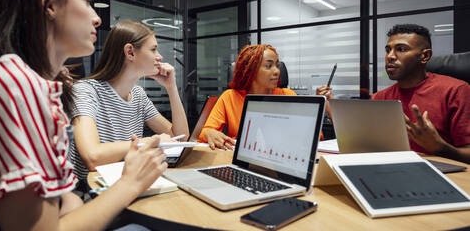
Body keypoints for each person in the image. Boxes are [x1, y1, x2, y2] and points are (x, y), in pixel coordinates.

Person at [0, 0, 167, 230]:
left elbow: (62, 202)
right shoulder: (12, 84)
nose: (97, 17)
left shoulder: (29, 82)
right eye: (87, 1)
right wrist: (131, 182)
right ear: (50, 4)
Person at [317, 24, 470, 163]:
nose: (390, 56)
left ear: (425, 56)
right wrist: (329, 102)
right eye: (388, 50)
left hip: (442, 176)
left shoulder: (456, 90)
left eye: (401, 49)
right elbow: (355, 138)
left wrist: (439, 147)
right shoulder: (380, 97)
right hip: (386, 169)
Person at [70, 20, 189, 183]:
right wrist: (149, 142)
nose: (159, 57)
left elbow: (179, 138)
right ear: (130, 52)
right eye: (153, 49)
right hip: (90, 191)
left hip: (127, 184)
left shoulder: (138, 95)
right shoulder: (86, 90)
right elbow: (92, 156)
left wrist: (172, 88)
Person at [198, 44, 296, 150]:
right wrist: (209, 133)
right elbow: (204, 131)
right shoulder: (230, 97)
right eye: (269, 66)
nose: (277, 71)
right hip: (237, 158)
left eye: (277, 65)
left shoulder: (287, 95)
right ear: (251, 71)